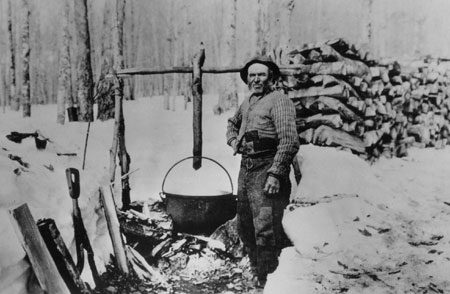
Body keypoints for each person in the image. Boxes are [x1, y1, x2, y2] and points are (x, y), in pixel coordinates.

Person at [226, 55, 300, 286]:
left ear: (271, 77)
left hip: (267, 167)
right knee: (245, 222)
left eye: (261, 75)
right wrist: (233, 140)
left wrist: (276, 173)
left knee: (266, 227)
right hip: (246, 167)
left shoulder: (280, 101)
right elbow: (232, 123)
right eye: (252, 75)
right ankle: (256, 269)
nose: (256, 79)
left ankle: (270, 280)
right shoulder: (248, 102)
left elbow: (289, 141)